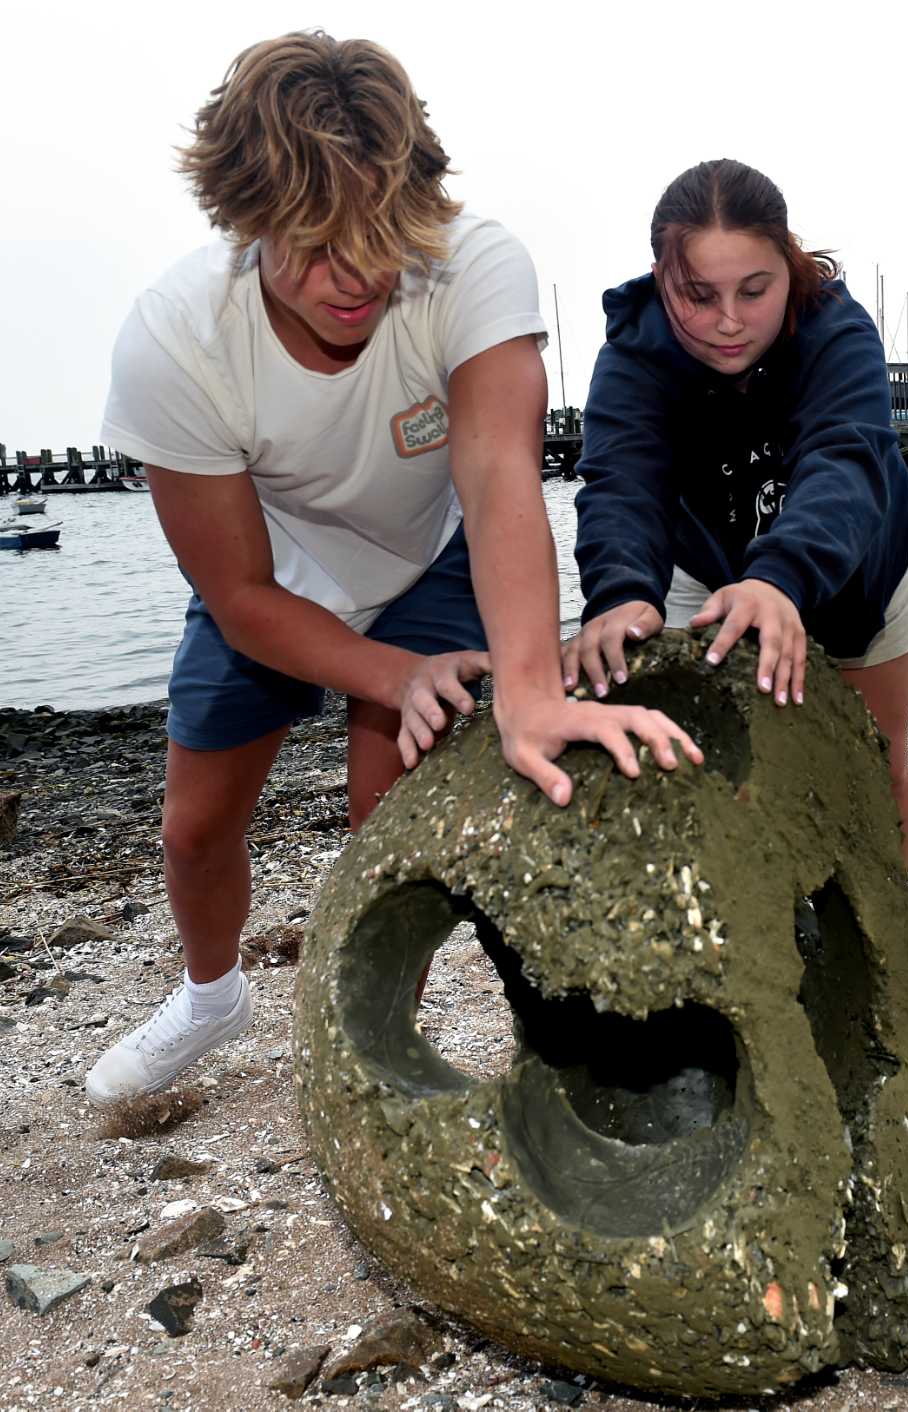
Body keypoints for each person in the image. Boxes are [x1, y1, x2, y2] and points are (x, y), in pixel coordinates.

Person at [87, 33, 700, 1104]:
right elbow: (238, 594)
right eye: (317, 244)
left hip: (428, 554)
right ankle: (211, 995)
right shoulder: (174, 343)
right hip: (277, 581)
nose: (359, 275)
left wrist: (528, 690)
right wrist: (390, 674)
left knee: (390, 831)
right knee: (194, 827)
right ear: (246, 215)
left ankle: (380, 1052)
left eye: (381, 234)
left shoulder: (471, 264)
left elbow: (501, 480)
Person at [564, 158, 908, 969]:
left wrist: (780, 577)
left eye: (754, 290)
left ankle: (882, 934)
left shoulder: (836, 332)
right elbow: (622, 483)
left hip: (859, 562)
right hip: (707, 567)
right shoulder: (635, 353)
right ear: (661, 276)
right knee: (705, 758)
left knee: (872, 756)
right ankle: (738, 933)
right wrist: (618, 592)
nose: (728, 321)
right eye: (698, 295)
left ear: (788, 266)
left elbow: (845, 460)